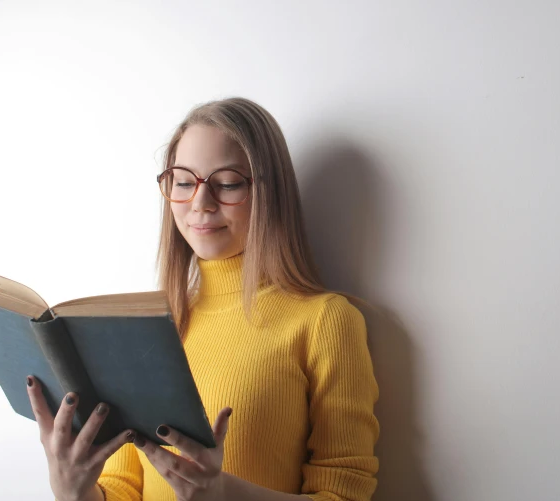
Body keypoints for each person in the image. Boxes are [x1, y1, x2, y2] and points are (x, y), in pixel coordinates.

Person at [26, 97, 380, 501]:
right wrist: (76, 492)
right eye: (182, 181)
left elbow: (345, 494)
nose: (200, 202)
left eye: (227, 183)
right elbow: (125, 488)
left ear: (270, 193)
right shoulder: (145, 328)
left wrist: (224, 492)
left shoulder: (325, 321)